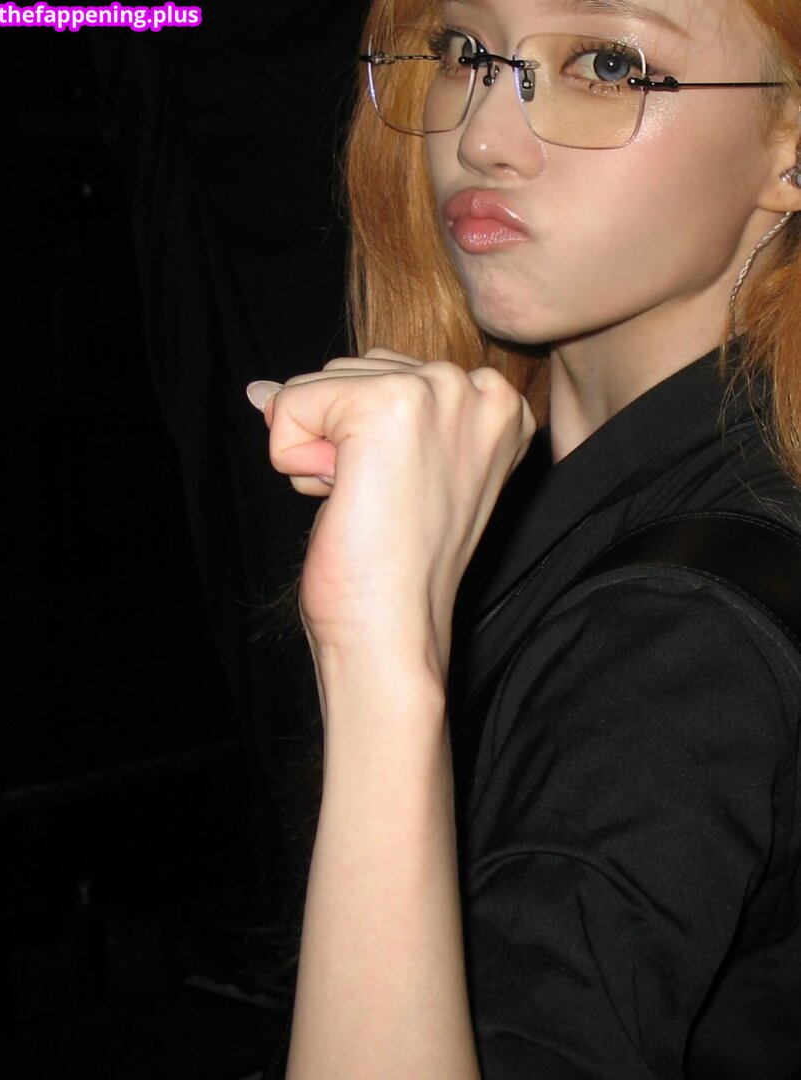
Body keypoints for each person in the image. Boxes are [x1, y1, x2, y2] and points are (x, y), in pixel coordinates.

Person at [246, 0, 801, 1075]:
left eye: (606, 65)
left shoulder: (672, 638)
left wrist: (380, 656)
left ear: (791, 149)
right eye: (467, 52)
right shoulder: (616, 491)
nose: (482, 137)